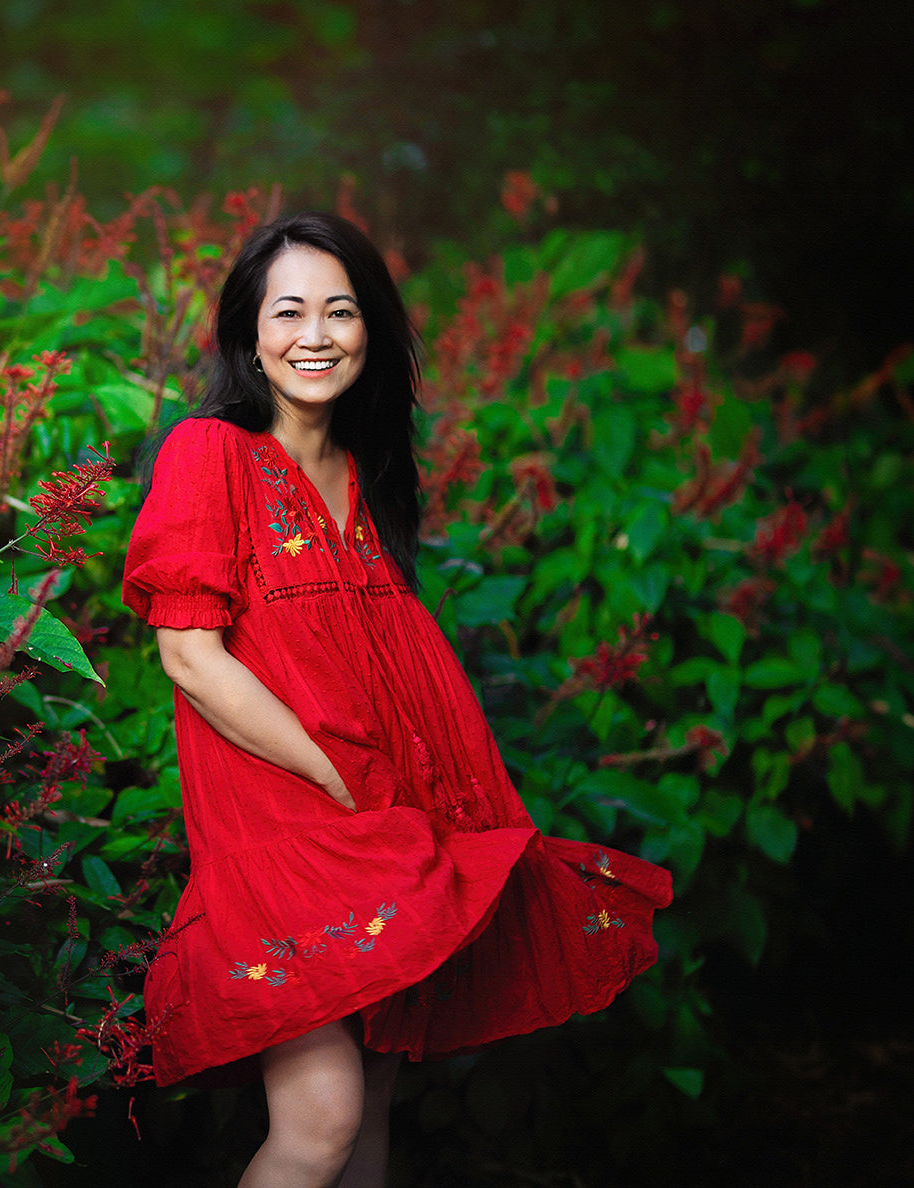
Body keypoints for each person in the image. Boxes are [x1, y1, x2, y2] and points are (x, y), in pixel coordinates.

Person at [121, 212, 672, 1187]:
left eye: (341, 310)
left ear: (371, 329)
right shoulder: (210, 452)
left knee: (369, 1115)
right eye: (288, 312)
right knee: (321, 1118)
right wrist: (334, 773)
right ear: (247, 331)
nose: (316, 335)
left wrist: (401, 795)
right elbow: (193, 660)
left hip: (390, 816)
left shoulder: (364, 476)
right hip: (286, 824)